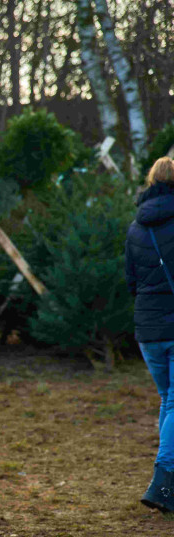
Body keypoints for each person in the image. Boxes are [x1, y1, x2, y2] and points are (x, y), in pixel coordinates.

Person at [126, 156, 174, 513]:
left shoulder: (135, 227)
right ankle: (163, 481)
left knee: (167, 399)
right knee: (173, 402)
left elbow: (131, 281)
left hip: (147, 327)